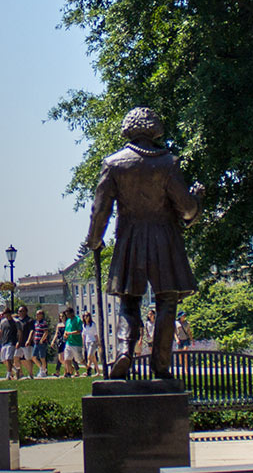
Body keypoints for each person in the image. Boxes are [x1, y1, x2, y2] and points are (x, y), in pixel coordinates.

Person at [84, 107, 204, 379]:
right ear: (154, 129)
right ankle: (161, 366)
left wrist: (94, 240)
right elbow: (186, 211)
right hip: (164, 238)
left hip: (130, 237)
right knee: (167, 301)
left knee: (129, 302)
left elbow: (100, 210)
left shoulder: (113, 164)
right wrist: (198, 200)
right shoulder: (168, 163)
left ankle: (125, 351)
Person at [0, 308, 21, 379]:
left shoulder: (16, 322)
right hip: (4, 342)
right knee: (4, 359)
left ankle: (8, 375)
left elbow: (20, 332)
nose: (5, 315)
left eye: (6, 313)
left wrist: (18, 342)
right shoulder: (3, 322)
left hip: (12, 342)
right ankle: (15, 369)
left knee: (8, 358)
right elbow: (0, 331)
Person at [61, 308, 83, 377]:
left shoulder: (78, 320)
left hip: (76, 343)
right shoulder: (68, 321)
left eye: (68, 313)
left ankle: (88, 368)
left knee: (79, 359)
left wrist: (70, 333)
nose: (66, 315)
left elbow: (79, 331)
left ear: (72, 313)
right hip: (69, 342)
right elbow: (66, 330)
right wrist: (65, 334)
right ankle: (68, 373)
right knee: (67, 358)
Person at [29, 309, 51, 378]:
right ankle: (42, 368)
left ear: (41, 315)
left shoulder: (43, 323)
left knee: (42, 357)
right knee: (33, 357)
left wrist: (42, 340)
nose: (36, 315)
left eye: (38, 314)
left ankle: (44, 371)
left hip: (42, 343)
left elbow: (46, 332)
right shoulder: (36, 323)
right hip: (36, 342)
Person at [81, 311, 100, 376]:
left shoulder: (93, 325)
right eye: (84, 316)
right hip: (87, 342)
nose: (85, 317)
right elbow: (83, 335)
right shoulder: (84, 325)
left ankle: (87, 370)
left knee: (89, 356)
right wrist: (82, 344)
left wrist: (98, 343)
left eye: (87, 316)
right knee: (93, 358)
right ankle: (98, 371)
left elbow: (96, 334)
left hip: (93, 342)